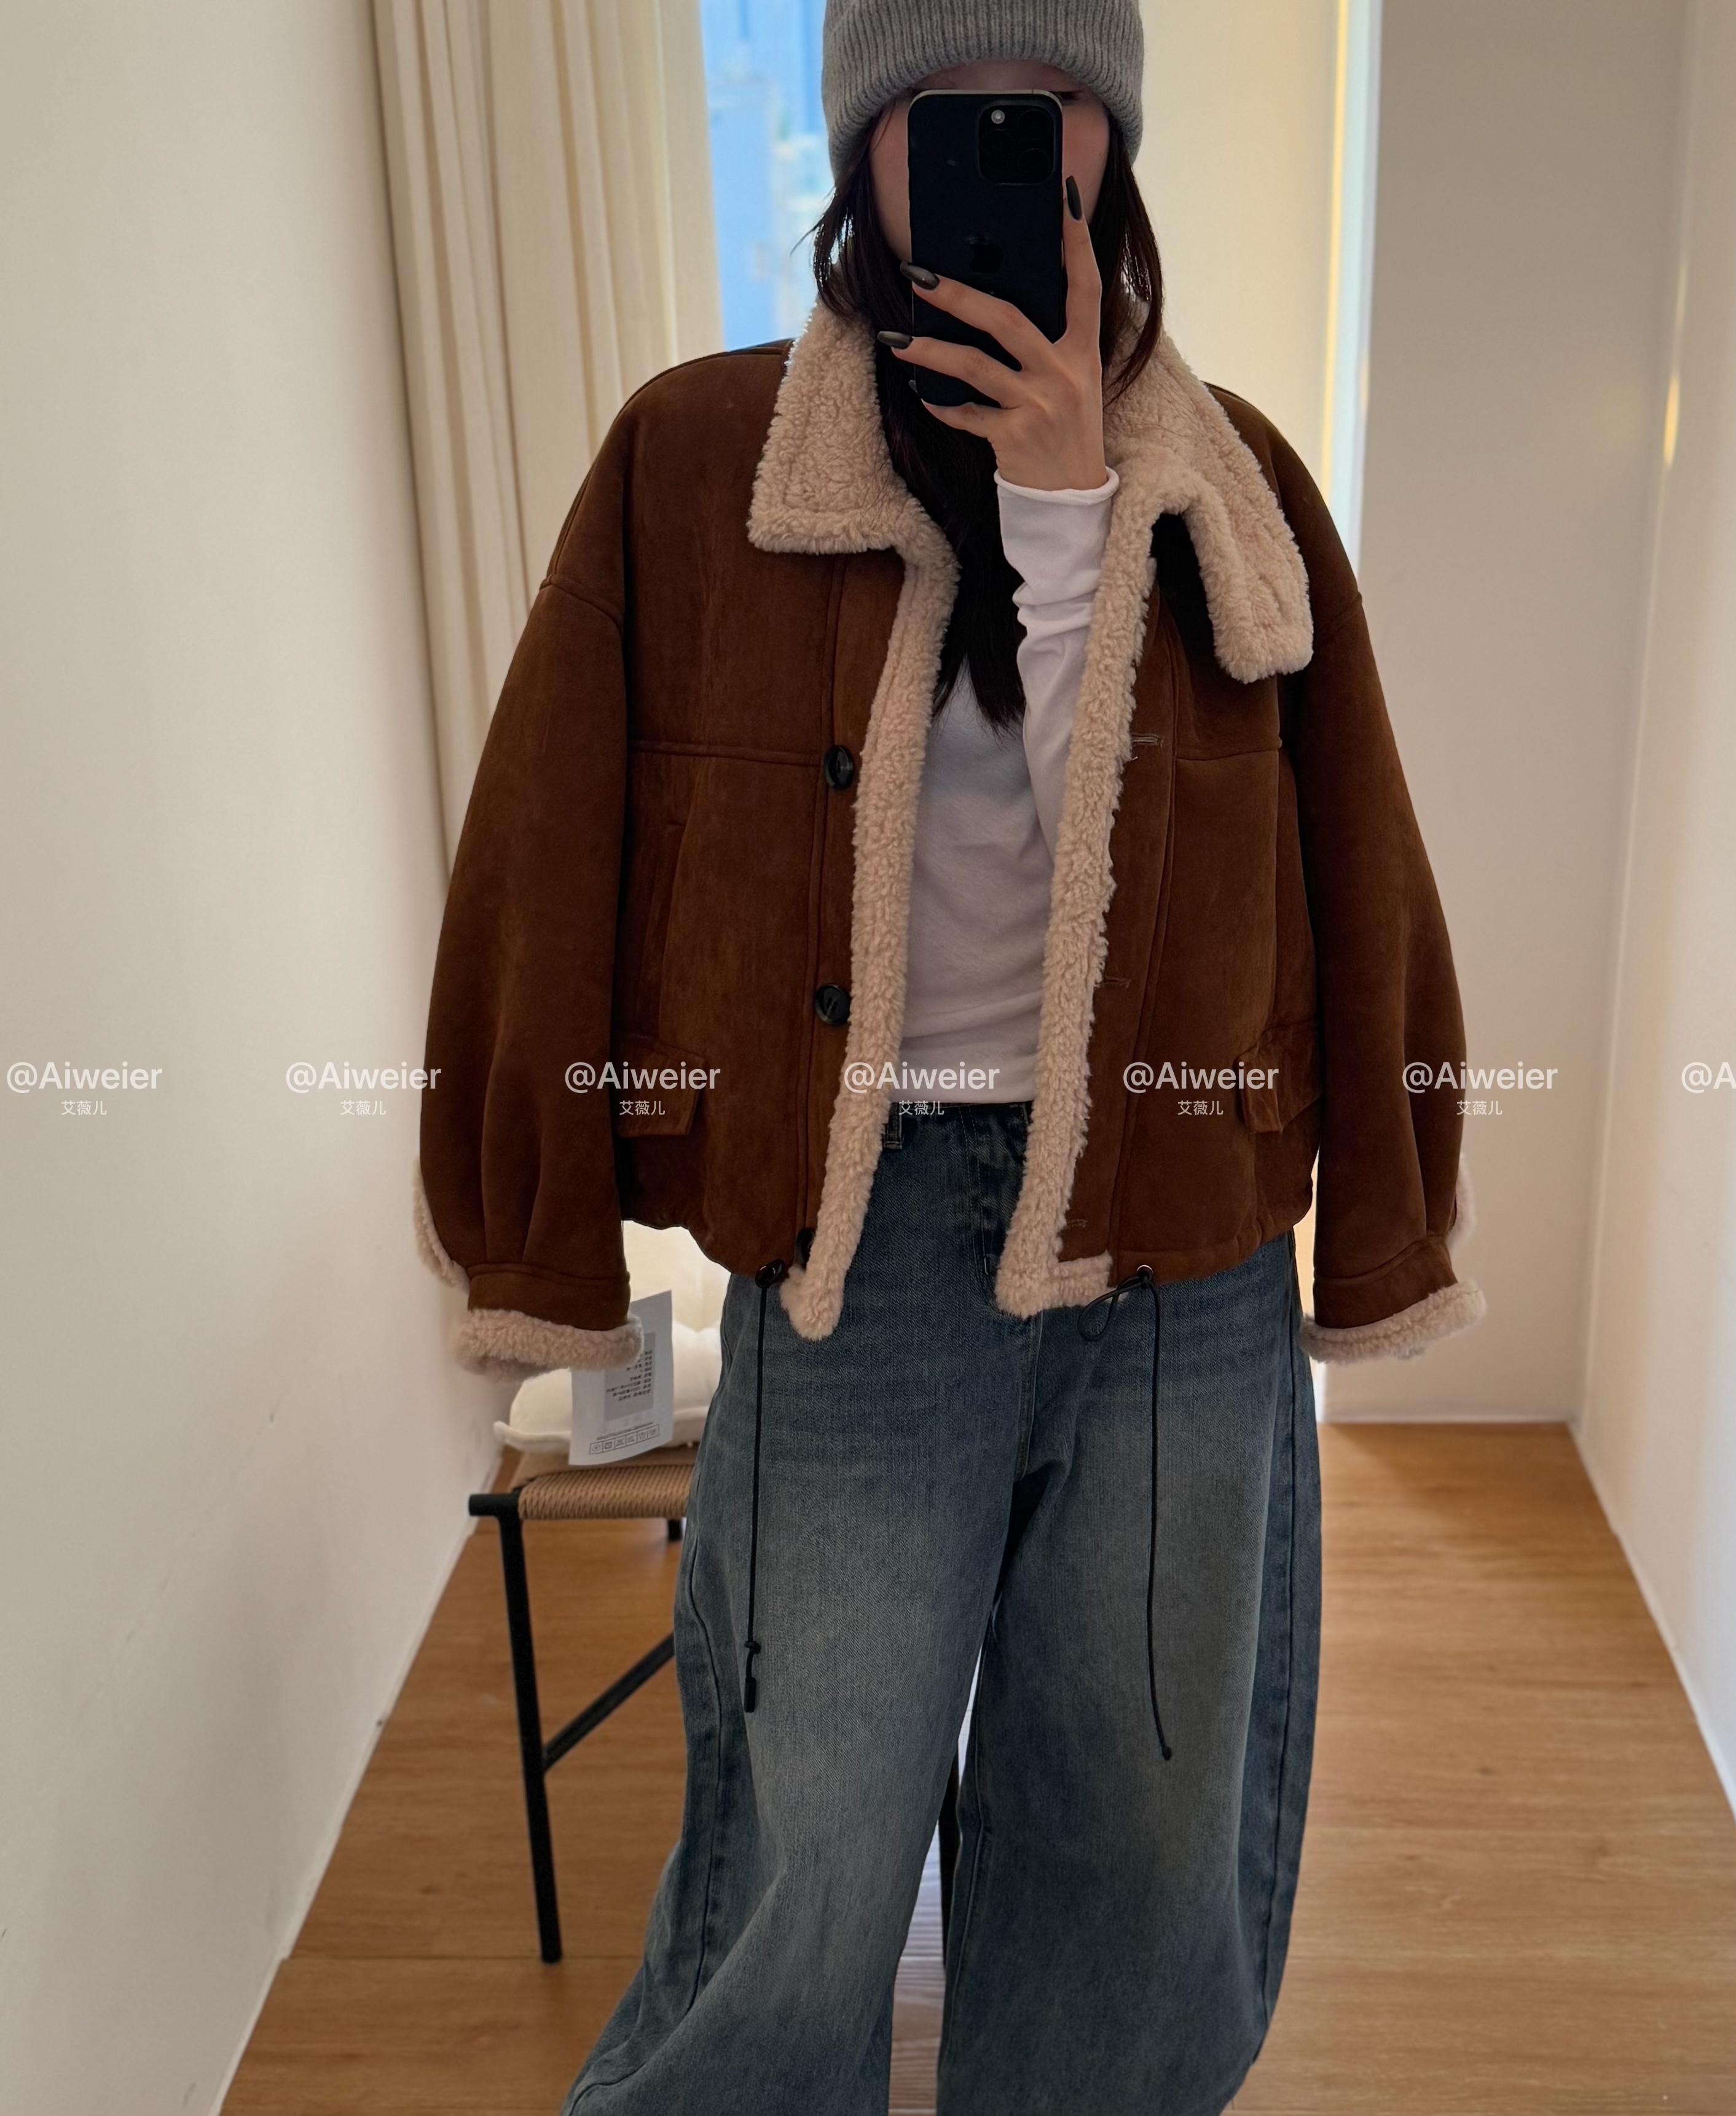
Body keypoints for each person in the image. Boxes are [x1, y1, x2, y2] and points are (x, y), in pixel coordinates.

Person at [414, 3, 1483, 2110]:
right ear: (861, 141)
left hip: (1174, 1253)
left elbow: (1354, 877)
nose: (1005, 135)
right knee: (801, 1849)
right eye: (945, 100)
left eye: (1052, 96)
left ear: (1111, 143)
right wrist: (537, 1233)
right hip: (861, 1246)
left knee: (1142, 1840)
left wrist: (1073, 511)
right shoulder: (692, 463)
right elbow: (538, 847)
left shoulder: (1233, 486)